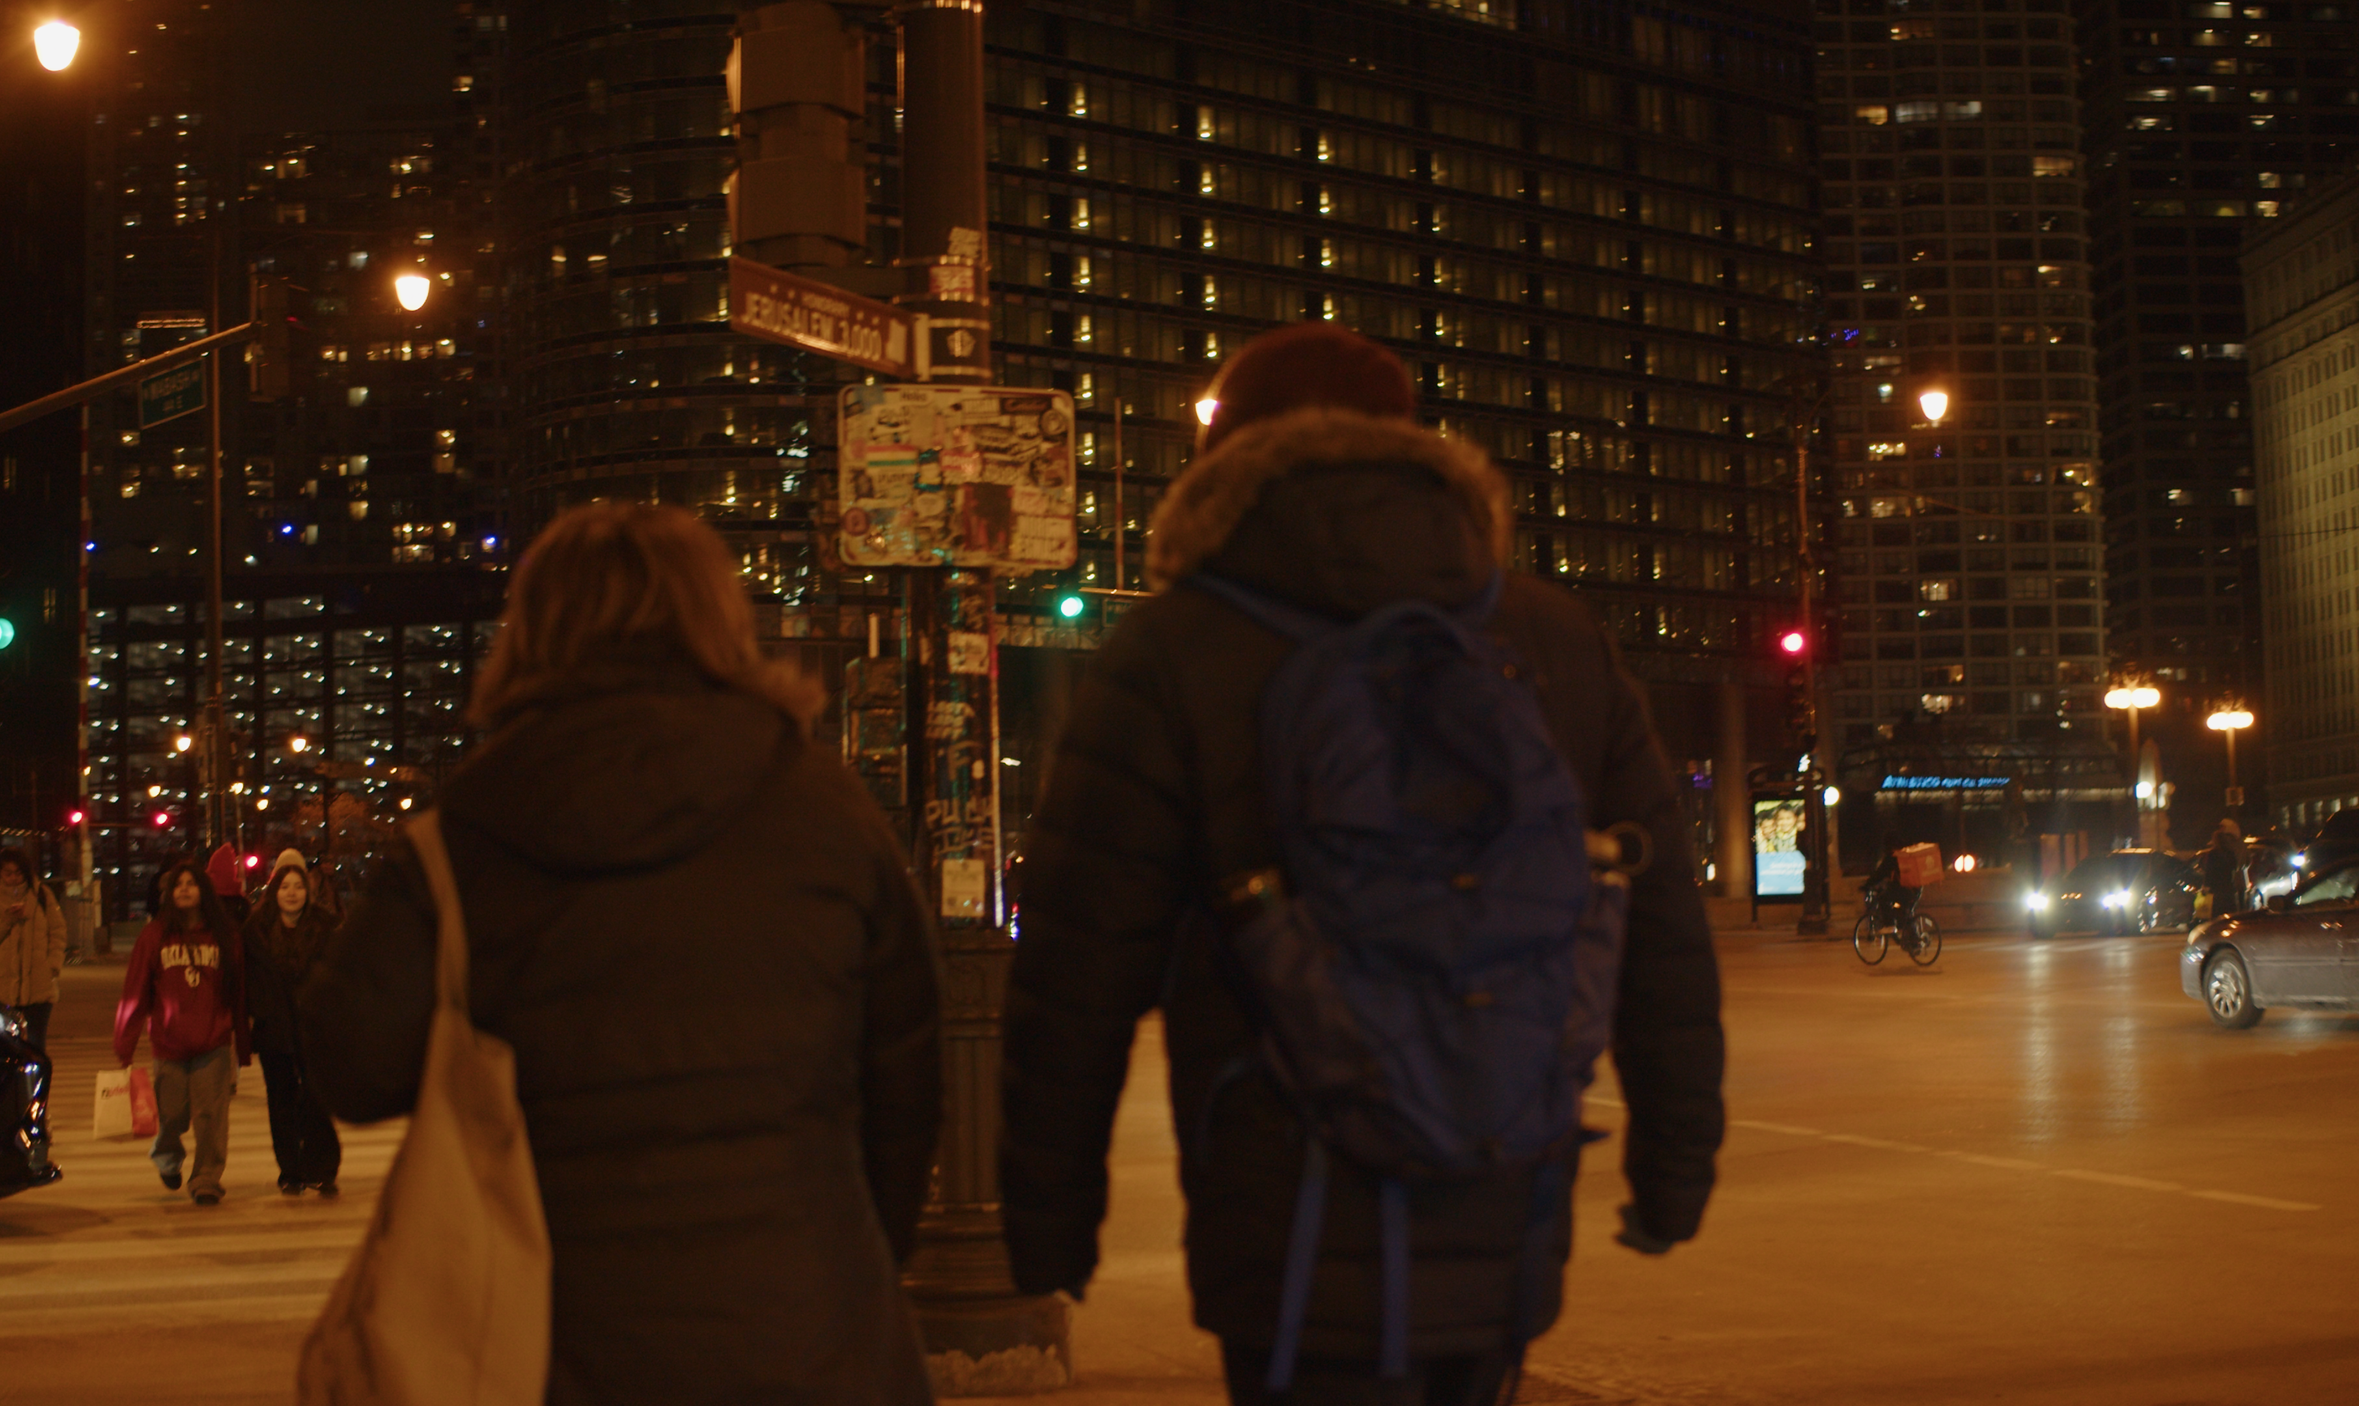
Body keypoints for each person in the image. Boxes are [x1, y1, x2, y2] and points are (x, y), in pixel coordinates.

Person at [999, 323, 1726, 1405]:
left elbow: (1078, 966)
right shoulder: (1552, 634)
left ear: (1226, 459)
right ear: (1411, 446)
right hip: (1503, 1185)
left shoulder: (1174, 647)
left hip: (1280, 1211)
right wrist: (1673, 1164)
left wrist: (1050, 1218)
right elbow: (1655, 918)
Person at [298, 502, 944, 1406]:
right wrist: (849, 1258)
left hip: (546, 1346)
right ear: (718, 619)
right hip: (809, 1332)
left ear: (535, 634)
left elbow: (351, 1068)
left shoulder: (461, 841)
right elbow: (908, 1087)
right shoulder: (831, 814)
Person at [113, 855, 251, 1206]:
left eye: (191, 884)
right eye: (179, 884)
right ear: (170, 893)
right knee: (171, 1114)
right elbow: (135, 991)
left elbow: (238, 991)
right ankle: (167, 1156)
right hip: (169, 1044)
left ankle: (206, 1178)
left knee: (210, 1118)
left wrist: (242, 1043)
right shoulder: (154, 935)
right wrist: (124, 1046)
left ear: (204, 891)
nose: (185, 889)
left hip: (213, 1042)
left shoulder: (223, 936)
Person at [242, 848, 342, 1197]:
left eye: (298, 886)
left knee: (316, 1097)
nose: (292, 893)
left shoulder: (325, 926)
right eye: (285, 886)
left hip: (315, 1027)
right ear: (275, 889)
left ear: (307, 889)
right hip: (275, 1029)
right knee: (280, 1099)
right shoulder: (256, 929)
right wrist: (261, 1013)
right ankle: (291, 1170)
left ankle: (323, 1168)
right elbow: (249, 980)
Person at [0, 849, 68, 1047]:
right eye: (8, 873)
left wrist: (51, 967)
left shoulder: (41, 894)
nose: (13, 878)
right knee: (1, 1047)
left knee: (35, 1047)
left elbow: (58, 932)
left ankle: (34, 1079)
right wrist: (5, 918)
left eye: (18, 873)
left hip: (38, 988)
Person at [1862, 840, 1921, 931]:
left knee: (1883, 899)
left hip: (1904, 890)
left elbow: (1880, 874)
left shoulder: (1893, 857)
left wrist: (1867, 885)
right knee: (1903, 911)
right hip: (1916, 890)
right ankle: (1909, 933)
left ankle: (1890, 925)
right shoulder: (1906, 855)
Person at [2199, 821, 2249, 915]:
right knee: (2230, 912)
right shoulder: (2230, 853)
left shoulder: (2213, 854)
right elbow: (2236, 866)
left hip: (2217, 889)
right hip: (2229, 887)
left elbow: (2209, 871)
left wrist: (2205, 886)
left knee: (2218, 913)